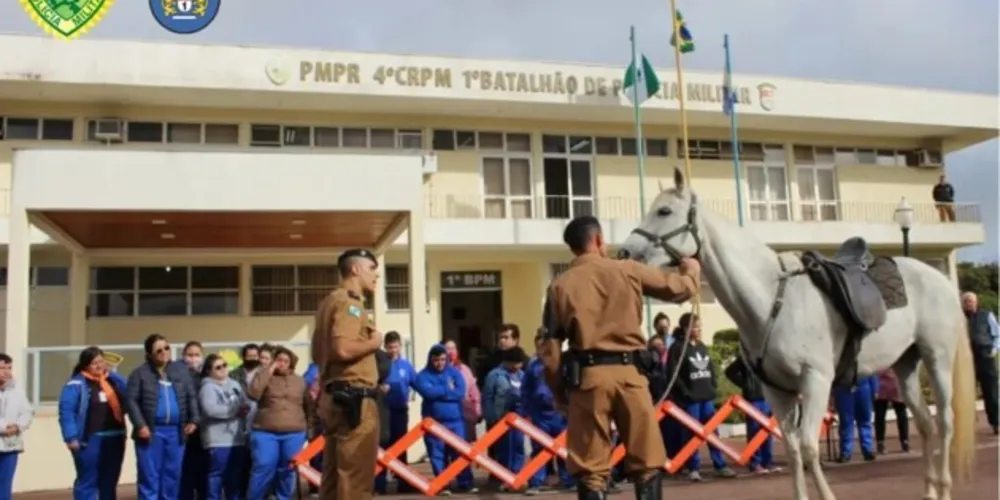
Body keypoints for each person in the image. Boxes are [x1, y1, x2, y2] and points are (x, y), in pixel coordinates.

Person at [539, 215, 702, 500]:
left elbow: (551, 352)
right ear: (599, 240)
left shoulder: (559, 286)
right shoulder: (628, 270)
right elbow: (680, 290)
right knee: (647, 463)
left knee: (591, 470)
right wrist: (691, 270)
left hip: (588, 380)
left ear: (573, 248)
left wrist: (559, 393)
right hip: (630, 376)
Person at [311, 248, 383, 499]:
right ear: (356, 269)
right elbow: (341, 348)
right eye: (372, 269)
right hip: (355, 399)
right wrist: (373, 343)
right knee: (355, 480)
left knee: (333, 479)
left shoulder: (329, 302)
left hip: (337, 395)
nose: (377, 275)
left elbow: (319, 352)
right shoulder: (349, 302)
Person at [126, 334, 200, 500]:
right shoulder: (139, 374)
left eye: (166, 348)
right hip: (151, 433)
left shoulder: (181, 371)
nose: (164, 352)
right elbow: (131, 401)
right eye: (158, 350)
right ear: (149, 354)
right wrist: (140, 425)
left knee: (172, 477)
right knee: (149, 477)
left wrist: (194, 420)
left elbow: (191, 396)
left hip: (176, 432)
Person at [665, 314, 736, 481]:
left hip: (706, 397)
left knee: (712, 432)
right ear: (686, 329)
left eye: (699, 326)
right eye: (695, 326)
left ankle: (720, 465)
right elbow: (672, 374)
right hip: (691, 399)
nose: (698, 329)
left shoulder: (701, 346)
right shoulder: (677, 348)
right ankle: (693, 468)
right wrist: (685, 392)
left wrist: (712, 385)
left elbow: (710, 366)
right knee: (691, 433)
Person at [59, 347, 126, 500]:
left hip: (115, 437)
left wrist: (113, 375)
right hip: (89, 440)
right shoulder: (76, 384)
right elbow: (67, 412)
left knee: (109, 481)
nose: (99, 366)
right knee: (88, 480)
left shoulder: (111, 381)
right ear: (85, 365)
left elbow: (129, 390)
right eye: (94, 363)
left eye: (101, 361)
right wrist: (71, 436)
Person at [247, 346, 312, 500]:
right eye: (279, 360)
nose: (282, 363)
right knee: (263, 466)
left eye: (285, 361)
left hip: (294, 432)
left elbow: (308, 405)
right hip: (265, 432)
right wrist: (269, 370)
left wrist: (310, 429)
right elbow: (253, 393)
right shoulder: (263, 376)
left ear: (291, 363)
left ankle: (283, 497)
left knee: (287, 469)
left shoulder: (299, 381)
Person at [413, 345, 477, 495]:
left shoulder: (454, 373)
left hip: (456, 421)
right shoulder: (423, 375)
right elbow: (427, 393)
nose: (440, 363)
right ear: (430, 360)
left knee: (460, 452)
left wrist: (438, 391)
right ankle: (443, 485)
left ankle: (466, 483)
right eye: (436, 360)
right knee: (437, 454)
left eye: (442, 359)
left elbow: (460, 392)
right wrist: (447, 389)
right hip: (434, 423)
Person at [522, 344, 574, 495]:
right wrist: (526, 411)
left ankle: (568, 479)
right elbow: (525, 390)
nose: (543, 351)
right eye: (539, 347)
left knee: (563, 448)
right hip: (539, 414)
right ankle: (536, 481)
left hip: (559, 413)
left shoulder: (562, 365)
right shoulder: (533, 367)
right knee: (539, 448)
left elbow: (570, 387)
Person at [199, 353, 250, 500]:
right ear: (209, 371)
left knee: (234, 476)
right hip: (218, 439)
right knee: (217, 475)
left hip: (237, 438)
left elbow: (244, 402)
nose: (223, 369)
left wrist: (245, 409)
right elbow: (211, 409)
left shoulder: (235, 385)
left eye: (225, 365)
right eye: (218, 367)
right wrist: (235, 411)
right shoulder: (208, 388)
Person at [375, 331, 418, 495]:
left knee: (401, 446)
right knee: (381, 446)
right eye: (390, 347)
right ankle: (379, 485)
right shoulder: (380, 364)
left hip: (400, 411)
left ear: (400, 346)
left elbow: (417, 383)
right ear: (385, 347)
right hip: (383, 412)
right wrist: (379, 389)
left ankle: (403, 482)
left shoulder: (406, 365)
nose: (393, 350)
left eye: (396, 346)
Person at [482, 346, 527, 492]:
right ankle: (504, 478)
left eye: (520, 363)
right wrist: (490, 417)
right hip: (501, 417)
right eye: (515, 363)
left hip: (519, 417)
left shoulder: (522, 375)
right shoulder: (495, 375)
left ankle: (517, 476)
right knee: (504, 449)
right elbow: (488, 397)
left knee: (518, 446)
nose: (518, 366)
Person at [724, 356, 780, 474]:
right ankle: (755, 463)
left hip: (767, 397)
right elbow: (729, 372)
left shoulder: (766, 356)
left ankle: (768, 461)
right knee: (754, 431)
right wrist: (745, 384)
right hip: (753, 399)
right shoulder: (745, 357)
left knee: (767, 431)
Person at [962, 291, 999, 435]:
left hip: (985, 356)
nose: (968, 304)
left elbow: (997, 334)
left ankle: (996, 422)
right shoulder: (960, 318)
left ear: (976, 302)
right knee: (966, 393)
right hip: (967, 359)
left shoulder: (987, 315)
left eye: (970, 301)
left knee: (991, 393)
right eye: (965, 302)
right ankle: (969, 424)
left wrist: (994, 350)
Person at [0, 353, 31, 498]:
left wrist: (18, 426)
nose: (6, 372)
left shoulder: (16, 389)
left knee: (5, 485)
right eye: (1, 368)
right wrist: (4, 428)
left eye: (9, 368)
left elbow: (27, 411)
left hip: (11, 445)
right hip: (3, 435)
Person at [180, 341, 207, 500]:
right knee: (186, 471)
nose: (193, 358)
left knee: (203, 471)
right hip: (185, 429)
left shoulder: (207, 375)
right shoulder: (177, 374)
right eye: (190, 354)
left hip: (204, 431)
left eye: (197, 355)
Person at [443, 339, 481, 449]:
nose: (451, 351)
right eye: (448, 348)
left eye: (453, 348)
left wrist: (477, 410)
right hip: (448, 415)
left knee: (466, 447)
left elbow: (474, 391)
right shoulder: (440, 370)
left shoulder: (464, 369)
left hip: (466, 414)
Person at [833, 375, 879, 462]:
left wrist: (874, 387)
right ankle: (846, 452)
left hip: (863, 385)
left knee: (865, 419)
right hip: (843, 388)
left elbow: (871, 369)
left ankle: (868, 450)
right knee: (846, 422)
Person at [873, 369, 909, 454]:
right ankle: (880, 442)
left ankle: (904, 441)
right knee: (880, 416)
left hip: (895, 383)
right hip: (882, 384)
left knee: (901, 414)